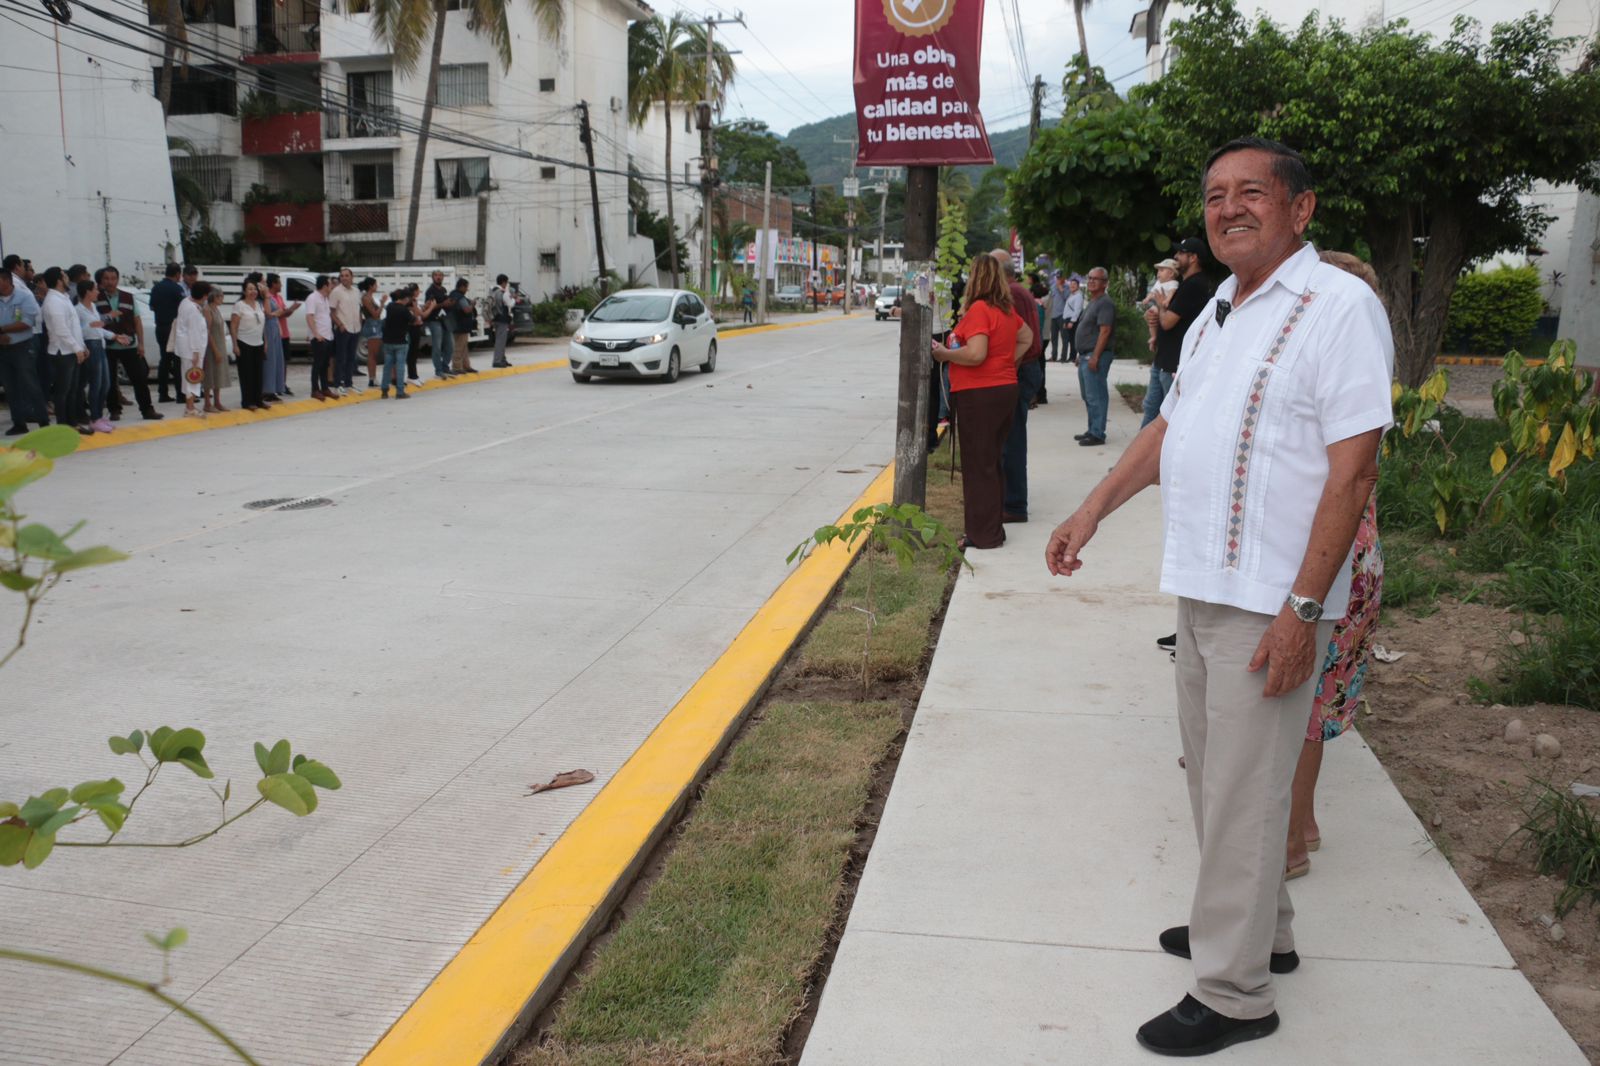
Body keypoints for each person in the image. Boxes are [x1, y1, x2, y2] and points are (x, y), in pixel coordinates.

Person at [1045, 138, 1394, 1056]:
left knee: (1242, 790)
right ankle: (1257, 933)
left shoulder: (1338, 306)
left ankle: (1237, 994)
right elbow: (1170, 426)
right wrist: (1091, 510)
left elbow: (1353, 470)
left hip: (1275, 595)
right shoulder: (1216, 316)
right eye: (1214, 196)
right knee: (1218, 778)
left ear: (1300, 209)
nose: (1229, 208)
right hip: (1202, 583)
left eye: (1251, 193)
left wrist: (1304, 610)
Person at [1284, 249, 1388, 880]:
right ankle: (1305, 825)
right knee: (1312, 707)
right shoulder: (1366, 364)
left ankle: (1292, 842)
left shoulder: (1336, 354)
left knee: (1295, 708)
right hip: (1358, 551)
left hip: (1329, 556)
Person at [931, 253, 1032, 552]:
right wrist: (1005, 364)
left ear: (976, 278)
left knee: (978, 466)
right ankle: (991, 529)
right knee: (991, 463)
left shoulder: (978, 310)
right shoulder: (1005, 311)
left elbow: (976, 354)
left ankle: (982, 534)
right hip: (1003, 390)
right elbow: (1026, 338)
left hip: (980, 394)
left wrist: (945, 355)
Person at [991, 250, 1043, 523]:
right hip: (1021, 369)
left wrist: (1006, 370)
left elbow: (1021, 338)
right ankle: (1010, 500)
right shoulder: (1016, 291)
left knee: (1012, 441)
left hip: (1021, 371)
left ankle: (1014, 504)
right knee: (1008, 439)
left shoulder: (1012, 293)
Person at [1145, 239, 1214, 429]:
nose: (1175, 257)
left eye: (1181, 253)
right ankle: (1143, 456)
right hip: (1164, 359)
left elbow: (1167, 322)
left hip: (1173, 364)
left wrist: (1159, 307)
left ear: (1193, 258)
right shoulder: (1184, 284)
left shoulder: (1194, 285)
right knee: (1151, 408)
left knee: (1168, 418)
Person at [95, 267, 162, 423]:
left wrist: (141, 343)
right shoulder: (96, 298)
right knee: (110, 381)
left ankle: (147, 409)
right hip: (108, 346)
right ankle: (114, 410)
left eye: (113, 278)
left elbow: (137, 320)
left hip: (129, 345)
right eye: (106, 278)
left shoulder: (128, 297)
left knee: (139, 378)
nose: (110, 282)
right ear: (102, 280)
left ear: (117, 280)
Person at [74, 278, 126, 433]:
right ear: (88, 292)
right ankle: (95, 418)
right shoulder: (77, 310)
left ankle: (99, 416)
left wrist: (115, 336)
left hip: (100, 345)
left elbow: (98, 329)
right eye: (95, 290)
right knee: (96, 384)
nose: (98, 292)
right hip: (90, 345)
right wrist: (95, 325)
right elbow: (80, 331)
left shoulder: (93, 308)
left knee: (106, 383)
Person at [40, 267, 88, 431]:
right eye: (65, 276)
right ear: (59, 280)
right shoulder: (53, 302)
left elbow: (74, 327)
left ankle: (72, 424)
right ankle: (63, 425)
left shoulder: (64, 298)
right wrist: (77, 348)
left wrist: (82, 346)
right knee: (63, 391)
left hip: (72, 350)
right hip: (62, 352)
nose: (68, 278)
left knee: (72, 390)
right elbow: (61, 330)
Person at [0, 268, 47, 436]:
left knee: (31, 384)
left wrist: (2, 330)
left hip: (22, 347)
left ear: (6, 280)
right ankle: (19, 423)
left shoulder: (24, 297)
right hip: (3, 350)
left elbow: (27, 322)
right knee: (10, 387)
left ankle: (43, 422)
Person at [1073, 268, 1116, 446]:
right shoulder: (1093, 301)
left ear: (1105, 283)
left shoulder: (1105, 303)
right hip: (1086, 355)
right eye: (1089, 278)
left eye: (1096, 279)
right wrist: (1080, 353)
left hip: (1096, 355)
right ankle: (1092, 429)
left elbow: (1105, 331)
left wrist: (1095, 356)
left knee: (1096, 395)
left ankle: (1098, 433)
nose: (1091, 281)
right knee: (1089, 395)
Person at [171, 280, 211, 418]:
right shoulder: (193, 309)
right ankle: (190, 407)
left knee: (188, 377)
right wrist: (195, 352)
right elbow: (193, 332)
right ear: (204, 296)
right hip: (192, 349)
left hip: (186, 348)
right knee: (192, 377)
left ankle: (190, 405)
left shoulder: (186, 302)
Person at [149, 262, 185, 402]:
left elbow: (152, 306)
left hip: (160, 327)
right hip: (173, 327)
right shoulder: (177, 289)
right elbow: (183, 308)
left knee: (164, 360)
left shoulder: (156, 288)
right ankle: (180, 394)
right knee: (177, 361)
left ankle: (162, 393)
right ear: (177, 274)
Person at [231, 280, 268, 412]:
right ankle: (248, 401)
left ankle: (258, 399)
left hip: (258, 342)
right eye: (250, 289)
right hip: (244, 342)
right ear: (244, 291)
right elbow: (234, 326)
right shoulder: (239, 305)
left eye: (254, 289)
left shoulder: (259, 304)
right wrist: (235, 345)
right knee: (247, 373)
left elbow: (262, 325)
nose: (253, 292)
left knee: (258, 373)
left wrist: (265, 342)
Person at [263, 274, 299, 399]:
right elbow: (277, 313)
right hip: (274, 331)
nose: (281, 285)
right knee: (273, 361)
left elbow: (283, 313)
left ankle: (280, 384)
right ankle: (271, 388)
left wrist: (291, 310)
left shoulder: (278, 297)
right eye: (279, 283)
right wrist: (288, 310)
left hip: (283, 331)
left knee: (282, 361)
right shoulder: (268, 298)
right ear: (273, 284)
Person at [304, 275, 337, 402]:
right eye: (330, 284)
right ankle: (314, 390)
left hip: (327, 336)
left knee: (325, 364)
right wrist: (315, 333)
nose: (331, 286)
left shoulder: (325, 298)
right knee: (317, 364)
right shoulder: (312, 298)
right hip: (319, 337)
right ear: (324, 286)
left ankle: (325, 388)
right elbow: (310, 317)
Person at [330, 267, 362, 394]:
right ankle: (338, 384)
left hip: (355, 328)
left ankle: (349, 383)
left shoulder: (356, 291)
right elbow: (331, 311)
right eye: (342, 276)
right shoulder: (336, 292)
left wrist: (360, 322)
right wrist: (340, 324)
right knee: (340, 358)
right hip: (343, 328)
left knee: (351, 358)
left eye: (346, 275)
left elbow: (358, 308)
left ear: (352, 277)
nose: (344, 278)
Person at [203, 288, 233, 414]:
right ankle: (207, 403)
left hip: (220, 344)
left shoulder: (217, 309)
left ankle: (217, 401)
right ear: (214, 297)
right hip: (212, 346)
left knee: (218, 373)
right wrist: (215, 350)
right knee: (210, 374)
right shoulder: (207, 310)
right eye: (220, 297)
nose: (222, 299)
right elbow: (208, 331)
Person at [379, 287, 413, 399]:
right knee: (400, 367)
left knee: (387, 366)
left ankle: (384, 390)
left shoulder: (390, 307)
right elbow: (413, 320)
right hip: (400, 341)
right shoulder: (404, 310)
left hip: (388, 341)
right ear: (406, 298)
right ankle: (399, 391)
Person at [1141, 259, 1180, 354]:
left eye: (1162, 270)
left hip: (1165, 307)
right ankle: (1153, 336)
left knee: (1153, 316)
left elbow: (1171, 293)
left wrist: (1166, 300)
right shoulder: (1158, 283)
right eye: (1158, 270)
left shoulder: (1173, 283)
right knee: (1150, 316)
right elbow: (1152, 292)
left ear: (1171, 273)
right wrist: (1147, 298)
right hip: (1157, 305)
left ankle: (1154, 337)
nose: (1158, 273)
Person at [422, 270, 454, 380]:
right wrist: (442, 304)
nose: (438, 277)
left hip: (444, 320)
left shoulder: (444, 290)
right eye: (436, 275)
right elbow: (429, 306)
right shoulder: (430, 291)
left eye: (440, 275)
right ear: (432, 277)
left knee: (450, 345)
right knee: (437, 346)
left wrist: (450, 303)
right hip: (434, 320)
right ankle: (438, 370)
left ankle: (445, 366)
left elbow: (446, 304)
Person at [358, 276, 383, 385]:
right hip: (372, 325)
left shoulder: (370, 297)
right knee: (372, 354)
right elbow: (375, 314)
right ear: (370, 286)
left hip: (375, 325)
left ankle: (373, 377)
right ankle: (372, 378)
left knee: (374, 354)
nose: (377, 286)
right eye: (375, 284)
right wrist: (382, 304)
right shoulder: (366, 298)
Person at [448, 279, 477, 374]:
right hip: (461, 325)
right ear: (462, 286)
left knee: (464, 347)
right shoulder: (460, 297)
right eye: (466, 287)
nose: (467, 289)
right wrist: (472, 304)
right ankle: (456, 367)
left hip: (456, 324)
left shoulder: (453, 295)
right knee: (459, 347)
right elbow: (467, 310)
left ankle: (466, 365)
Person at [489, 274, 514, 367]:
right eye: (506, 282)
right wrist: (514, 299)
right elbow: (510, 304)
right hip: (502, 319)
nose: (507, 284)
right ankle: (497, 361)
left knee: (500, 339)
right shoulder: (502, 293)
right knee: (501, 341)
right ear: (503, 282)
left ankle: (502, 359)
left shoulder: (493, 291)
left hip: (495, 318)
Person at [1047, 274, 1070, 361]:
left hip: (1062, 315)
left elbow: (1067, 298)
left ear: (1064, 278)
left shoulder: (1067, 288)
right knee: (1053, 337)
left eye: (1060, 277)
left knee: (1064, 337)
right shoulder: (1053, 287)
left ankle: (1063, 357)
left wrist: (1061, 289)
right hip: (1053, 315)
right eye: (1058, 278)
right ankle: (1053, 356)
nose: (1059, 279)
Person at [1062, 276, 1084, 364]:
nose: (1072, 286)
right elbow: (1067, 309)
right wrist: (1065, 320)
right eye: (1071, 284)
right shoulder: (1071, 295)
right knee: (1070, 339)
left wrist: (1072, 321)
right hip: (1068, 319)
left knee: (1073, 339)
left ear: (1078, 286)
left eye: (1074, 284)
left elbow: (1077, 309)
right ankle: (1071, 356)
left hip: (1073, 320)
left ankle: (1073, 356)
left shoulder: (1078, 296)